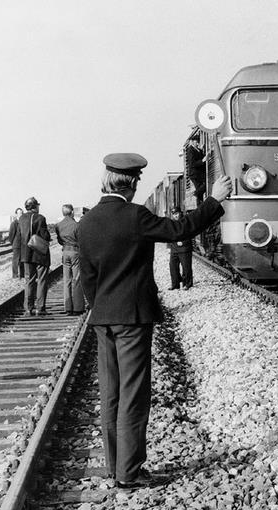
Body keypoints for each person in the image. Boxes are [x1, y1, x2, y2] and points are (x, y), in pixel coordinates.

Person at [78, 153, 231, 488]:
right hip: (132, 318)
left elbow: (86, 278)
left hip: (103, 318)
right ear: (131, 183)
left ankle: (115, 467)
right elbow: (181, 228)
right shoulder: (135, 216)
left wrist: (101, 305)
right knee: (133, 395)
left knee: (111, 395)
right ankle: (129, 474)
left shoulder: (85, 224)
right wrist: (215, 200)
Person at [19, 197, 51, 316]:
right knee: (42, 280)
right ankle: (40, 308)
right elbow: (45, 235)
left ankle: (28, 308)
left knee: (29, 280)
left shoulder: (21, 218)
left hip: (26, 254)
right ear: (34, 207)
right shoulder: (40, 218)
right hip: (39, 254)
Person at [55, 203, 84, 315]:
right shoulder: (76, 225)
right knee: (76, 279)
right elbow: (80, 239)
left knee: (66, 280)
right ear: (72, 212)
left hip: (65, 251)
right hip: (75, 252)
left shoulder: (58, 225)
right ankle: (78, 308)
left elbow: (59, 240)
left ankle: (68, 307)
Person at [167, 207, 194, 290]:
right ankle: (175, 284)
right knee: (173, 266)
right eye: (174, 214)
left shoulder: (186, 221)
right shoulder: (172, 223)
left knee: (186, 267)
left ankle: (187, 284)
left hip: (185, 248)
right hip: (174, 248)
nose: (176, 216)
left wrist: (183, 242)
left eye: (177, 213)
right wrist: (169, 246)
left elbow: (191, 233)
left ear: (181, 213)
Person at [7, 208, 24, 278]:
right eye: (19, 213)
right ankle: (15, 274)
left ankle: (22, 274)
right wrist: (13, 243)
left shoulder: (23, 222)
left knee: (22, 260)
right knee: (16, 260)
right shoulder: (14, 223)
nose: (21, 214)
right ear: (16, 214)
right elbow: (11, 235)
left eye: (22, 213)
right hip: (16, 244)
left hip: (23, 244)